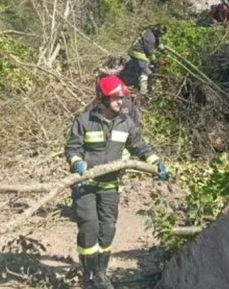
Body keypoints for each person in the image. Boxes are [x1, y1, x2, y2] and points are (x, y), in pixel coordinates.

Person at [66, 75, 169, 289]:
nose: (120, 102)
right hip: (85, 186)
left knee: (108, 229)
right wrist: (77, 163)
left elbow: (139, 146)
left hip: (110, 186)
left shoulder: (125, 122)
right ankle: (90, 275)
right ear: (102, 98)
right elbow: (72, 148)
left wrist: (156, 162)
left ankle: (101, 273)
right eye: (115, 98)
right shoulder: (84, 121)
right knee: (89, 228)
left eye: (121, 98)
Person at [123, 24, 166, 94]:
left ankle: (129, 80)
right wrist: (155, 61)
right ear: (156, 30)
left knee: (137, 67)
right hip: (137, 53)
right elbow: (150, 52)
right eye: (160, 33)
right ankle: (143, 92)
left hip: (136, 52)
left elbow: (158, 43)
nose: (160, 35)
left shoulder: (151, 33)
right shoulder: (150, 37)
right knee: (146, 72)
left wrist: (163, 49)